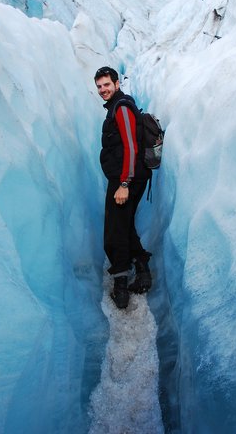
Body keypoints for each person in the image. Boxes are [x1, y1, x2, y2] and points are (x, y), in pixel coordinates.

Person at [94, 66, 152, 309]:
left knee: (114, 230)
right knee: (124, 225)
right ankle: (142, 271)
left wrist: (125, 183)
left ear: (117, 84)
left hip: (126, 180)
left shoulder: (123, 108)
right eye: (99, 86)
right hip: (126, 178)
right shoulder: (118, 106)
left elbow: (130, 146)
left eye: (106, 85)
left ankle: (120, 284)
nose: (102, 90)